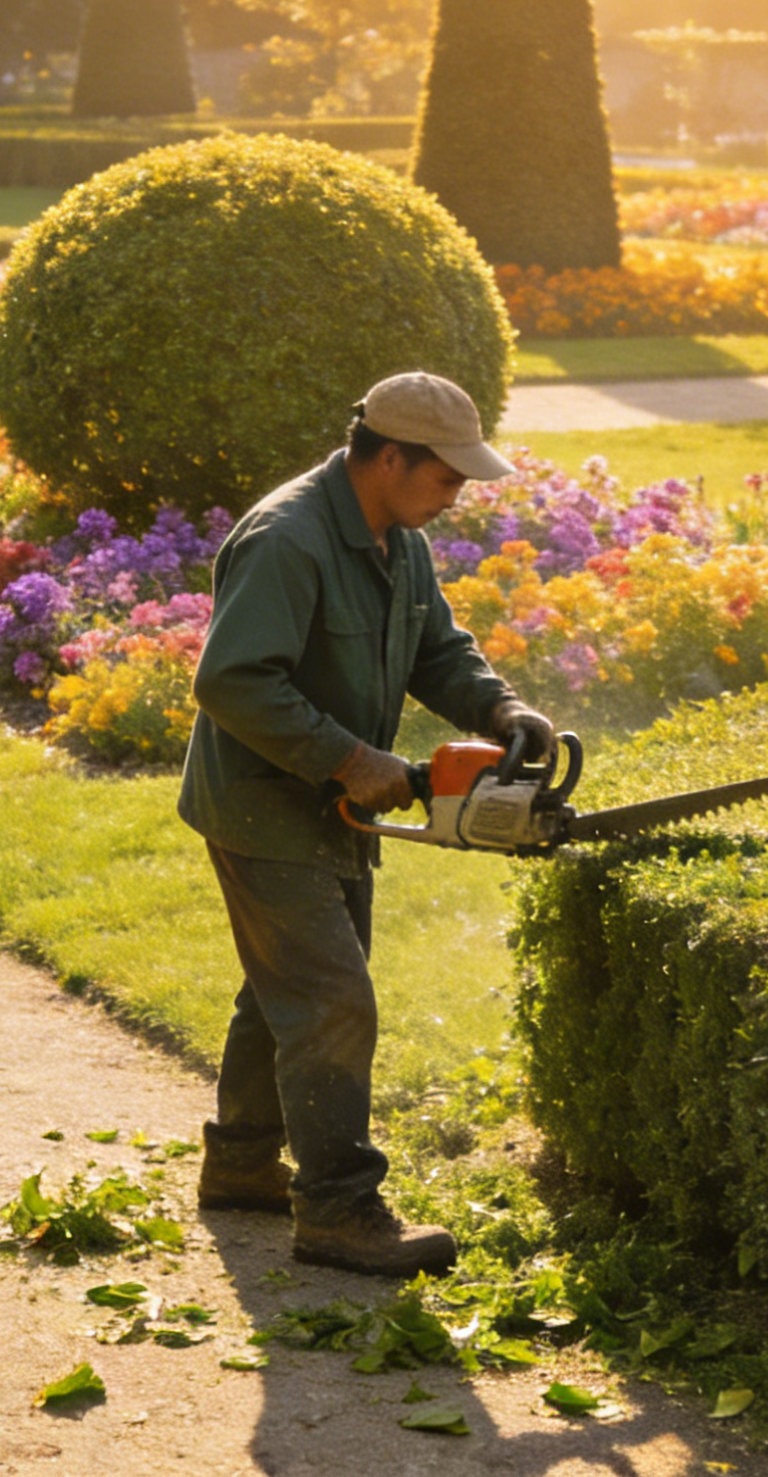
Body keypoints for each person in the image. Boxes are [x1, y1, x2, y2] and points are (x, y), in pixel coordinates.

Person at [176, 370, 555, 1277]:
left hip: (329, 808)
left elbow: (436, 648)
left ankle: (241, 1165)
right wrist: (351, 758)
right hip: (263, 807)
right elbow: (231, 680)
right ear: (390, 458)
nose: (457, 495)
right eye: (448, 476)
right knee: (332, 1000)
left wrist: (499, 709)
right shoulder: (288, 538)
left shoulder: (397, 540)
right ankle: (339, 1210)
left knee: (289, 989)